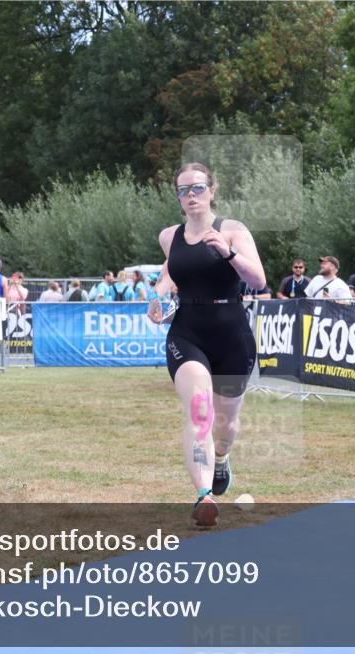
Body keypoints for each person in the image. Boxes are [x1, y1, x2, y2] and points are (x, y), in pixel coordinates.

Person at [147, 162, 265, 527]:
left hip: (232, 334)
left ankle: (222, 457)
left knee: (225, 425)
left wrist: (227, 252)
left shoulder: (232, 230)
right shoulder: (170, 235)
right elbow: (170, 271)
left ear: (212, 190)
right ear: (178, 198)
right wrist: (157, 294)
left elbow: (259, 281)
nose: (191, 196)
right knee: (200, 409)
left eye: (197, 188)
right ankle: (203, 496)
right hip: (187, 331)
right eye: (183, 190)